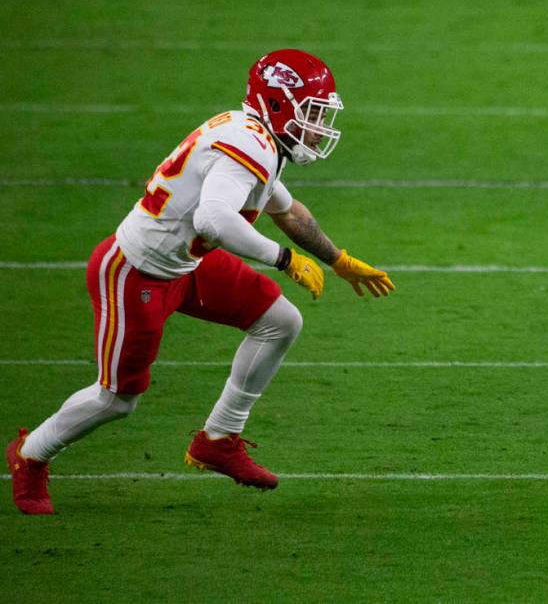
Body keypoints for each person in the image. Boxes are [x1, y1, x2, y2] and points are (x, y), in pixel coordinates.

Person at [6, 49, 395, 515]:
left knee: (280, 321)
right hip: (136, 272)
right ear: (277, 105)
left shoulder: (257, 138)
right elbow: (213, 220)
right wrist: (284, 259)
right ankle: (31, 455)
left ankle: (219, 438)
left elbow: (287, 211)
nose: (317, 127)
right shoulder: (250, 143)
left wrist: (339, 259)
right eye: (311, 112)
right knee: (117, 398)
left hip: (185, 266)